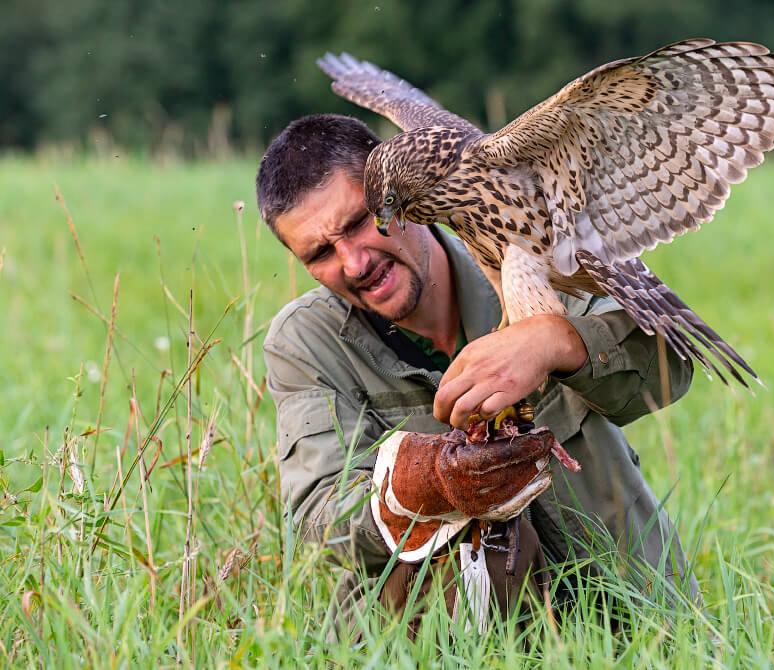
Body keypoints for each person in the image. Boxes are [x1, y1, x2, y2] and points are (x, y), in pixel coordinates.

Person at [256, 113, 700, 631]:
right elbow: (317, 517)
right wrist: (421, 488)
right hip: (436, 645)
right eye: (320, 253)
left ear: (400, 186)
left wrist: (556, 341)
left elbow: (671, 362)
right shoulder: (305, 342)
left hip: (629, 624)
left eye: (359, 223)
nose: (354, 263)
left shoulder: (532, 242)